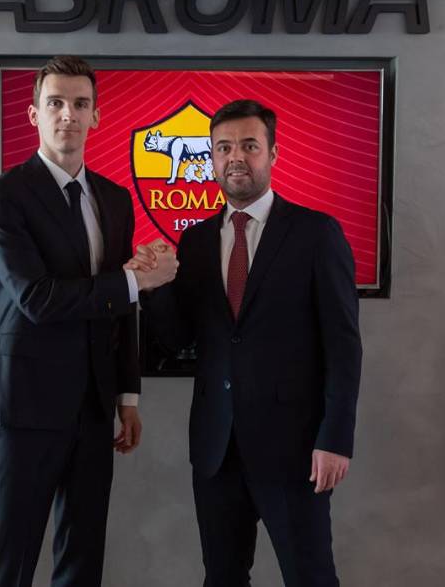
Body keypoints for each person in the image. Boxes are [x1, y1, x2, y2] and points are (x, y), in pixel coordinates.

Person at [133, 99, 362, 587]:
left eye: (249, 146)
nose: (235, 156)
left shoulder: (316, 234)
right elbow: (179, 339)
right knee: (222, 578)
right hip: (217, 449)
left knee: (311, 578)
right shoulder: (195, 242)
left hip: (295, 450)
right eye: (224, 148)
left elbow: (344, 348)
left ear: (273, 154)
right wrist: (153, 289)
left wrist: (335, 438)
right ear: (213, 159)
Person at [0, 55, 177, 587]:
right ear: (33, 114)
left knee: (82, 559)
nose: (68, 114)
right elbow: (36, 299)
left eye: (80, 104)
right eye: (56, 103)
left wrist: (127, 396)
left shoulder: (114, 198)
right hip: (26, 406)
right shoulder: (2, 197)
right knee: (11, 559)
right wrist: (137, 281)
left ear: (96, 116)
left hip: (94, 405)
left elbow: (122, 305)